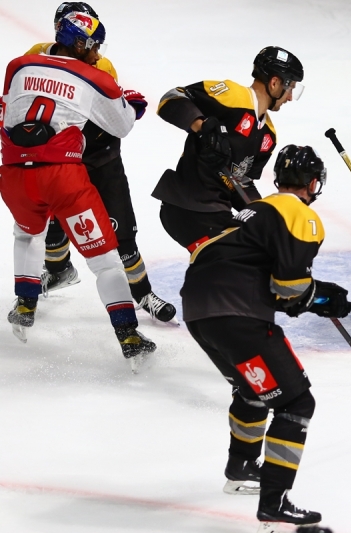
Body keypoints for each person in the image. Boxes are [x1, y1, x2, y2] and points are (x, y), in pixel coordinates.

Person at [181, 145, 350, 528]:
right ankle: (275, 502)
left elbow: (271, 283)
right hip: (236, 313)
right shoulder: (300, 214)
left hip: (199, 311)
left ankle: (241, 466)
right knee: (296, 402)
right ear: (313, 184)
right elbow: (290, 287)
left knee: (253, 389)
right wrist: (322, 296)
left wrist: (312, 297)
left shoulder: (249, 211)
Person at [0, 12, 156, 367]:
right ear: (83, 43)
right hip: (62, 176)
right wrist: (131, 104)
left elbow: (11, 106)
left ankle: (25, 304)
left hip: (13, 175)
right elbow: (122, 125)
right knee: (104, 261)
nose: (98, 53)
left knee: (26, 234)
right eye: (95, 45)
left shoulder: (18, 65)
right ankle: (128, 334)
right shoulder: (96, 76)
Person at [21, 2, 177, 323]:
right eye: (91, 45)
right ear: (73, 40)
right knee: (49, 217)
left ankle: (142, 293)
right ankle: (59, 269)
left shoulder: (102, 69)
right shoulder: (37, 54)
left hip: (101, 160)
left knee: (120, 236)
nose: (97, 54)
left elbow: (111, 118)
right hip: (61, 162)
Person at [154, 46, 304, 253]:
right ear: (275, 82)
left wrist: (261, 214)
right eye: (291, 88)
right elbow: (170, 99)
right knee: (235, 261)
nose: (290, 97)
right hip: (186, 207)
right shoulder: (232, 95)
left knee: (262, 251)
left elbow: (240, 182)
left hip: (215, 214)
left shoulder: (268, 135)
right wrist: (201, 127)